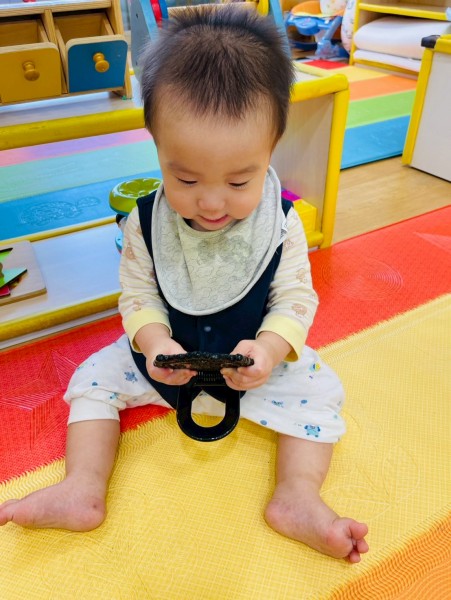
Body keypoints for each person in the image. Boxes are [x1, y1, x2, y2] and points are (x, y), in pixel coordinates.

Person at [0, 5, 368, 562]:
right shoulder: (145, 222)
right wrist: (153, 344)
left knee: (321, 391)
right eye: (186, 177)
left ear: (271, 148)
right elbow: (139, 294)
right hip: (164, 363)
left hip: (252, 366)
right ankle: (82, 488)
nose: (212, 202)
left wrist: (270, 350)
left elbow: (295, 297)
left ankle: (296, 496)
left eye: (239, 181)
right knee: (92, 379)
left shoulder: (281, 222)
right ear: (157, 146)